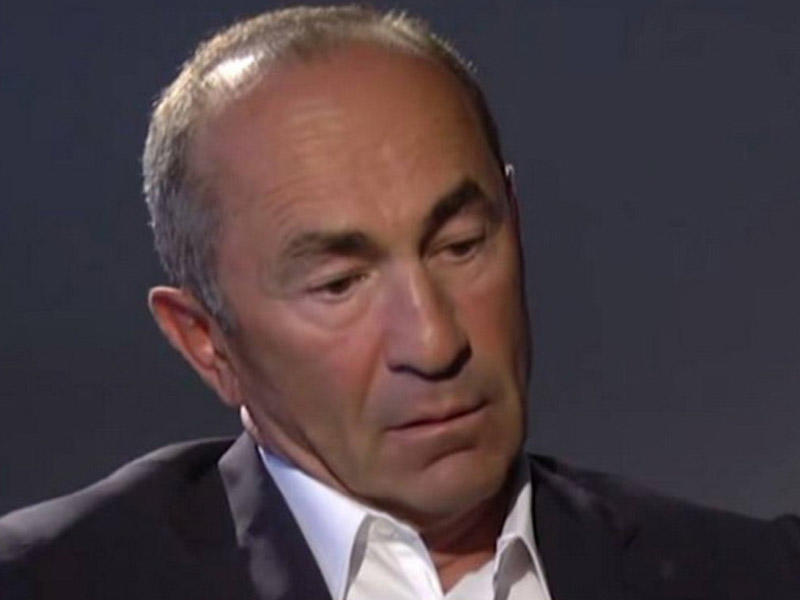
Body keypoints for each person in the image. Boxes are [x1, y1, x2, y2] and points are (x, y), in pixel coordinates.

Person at [1, 5, 798, 600]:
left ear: (516, 225)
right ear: (206, 341)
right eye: (339, 284)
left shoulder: (753, 576)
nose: (434, 340)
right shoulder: (49, 582)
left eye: (461, 246)